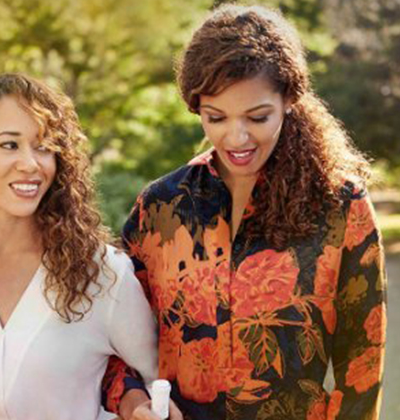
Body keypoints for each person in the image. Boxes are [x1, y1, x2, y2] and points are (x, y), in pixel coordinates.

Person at [102, 4, 387, 420]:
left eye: (257, 117)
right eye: (215, 117)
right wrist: (134, 404)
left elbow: (361, 365)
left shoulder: (341, 205)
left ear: (289, 99)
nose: (236, 137)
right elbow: (111, 340)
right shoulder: (159, 208)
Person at [0, 73, 158, 420]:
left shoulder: (101, 274)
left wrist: (135, 403)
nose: (31, 164)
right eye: (9, 145)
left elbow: (159, 383)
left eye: (44, 147)